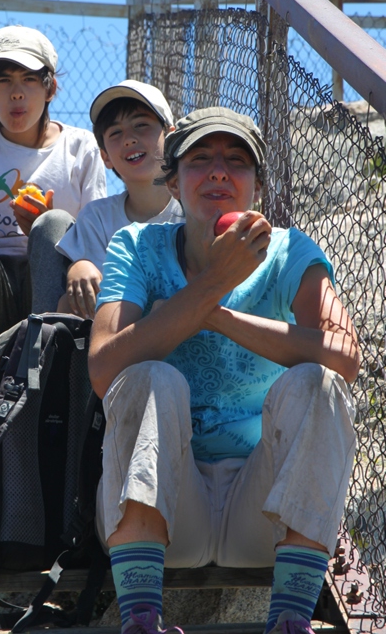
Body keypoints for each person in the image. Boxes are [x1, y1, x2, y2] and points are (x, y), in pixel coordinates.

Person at [88, 107, 359, 634]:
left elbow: (344, 355)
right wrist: (211, 284)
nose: (218, 171)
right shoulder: (137, 247)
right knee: (149, 376)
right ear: (172, 182)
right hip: (163, 510)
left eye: (236, 161)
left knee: (317, 382)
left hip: (262, 513)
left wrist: (218, 312)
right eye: (200, 160)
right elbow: (104, 368)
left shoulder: (289, 252)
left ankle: (290, 620)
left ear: (256, 187)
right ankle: (140, 618)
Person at [0, 25, 106, 383]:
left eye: (29, 80)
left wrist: (46, 230)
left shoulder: (79, 147)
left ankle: (42, 366)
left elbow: (98, 238)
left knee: (54, 222)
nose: (16, 94)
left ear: (50, 89)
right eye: (3, 81)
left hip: (51, 292)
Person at [56, 80, 183, 319]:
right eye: (115, 133)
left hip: (182, 332)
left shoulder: (193, 208)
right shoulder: (97, 217)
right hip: (115, 332)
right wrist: (79, 265)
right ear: (105, 157)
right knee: (66, 303)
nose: (128, 139)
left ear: (171, 136)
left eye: (141, 125)